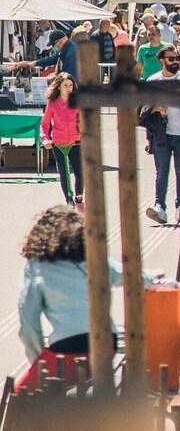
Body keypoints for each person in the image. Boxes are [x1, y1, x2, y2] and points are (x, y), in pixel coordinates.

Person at [17, 206, 126, 390]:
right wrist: (157, 277)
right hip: (107, 344)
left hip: (66, 349)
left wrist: (39, 361)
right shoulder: (94, 258)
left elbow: (28, 324)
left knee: (18, 396)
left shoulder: (36, 266)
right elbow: (128, 275)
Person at [143, 49, 180, 224]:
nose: (175, 62)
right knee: (162, 172)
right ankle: (160, 207)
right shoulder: (153, 81)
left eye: (177, 59)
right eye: (171, 59)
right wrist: (155, 108)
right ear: (161, 61)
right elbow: (144, 109)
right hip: (161, 135)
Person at [39, 73, 82, 206]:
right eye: (65, 85)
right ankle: (69, 200)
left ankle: (79, 194)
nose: (69, 88)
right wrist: (45, 139)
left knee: (80, 173)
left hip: (75, 142)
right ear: (59, 87)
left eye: (71, 85)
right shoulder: (52, 103)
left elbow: (84, 121)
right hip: (58, 143)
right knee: (64, 174)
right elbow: (44, 124)